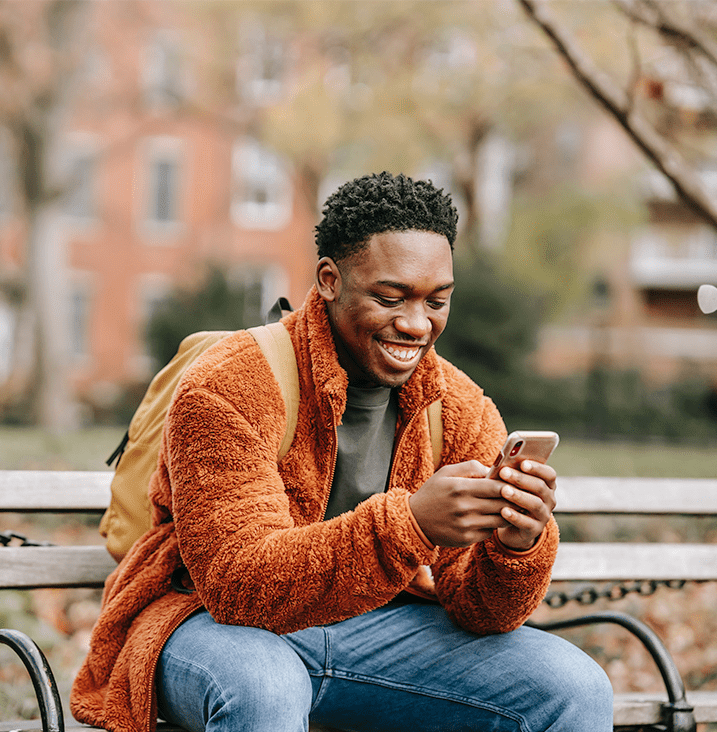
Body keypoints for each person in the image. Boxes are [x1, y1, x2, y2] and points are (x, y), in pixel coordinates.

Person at [71, 172, 613, 732]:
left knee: (572, 688)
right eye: (389, 297)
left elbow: (483, 611)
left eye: (437, 301)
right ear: (329, 280)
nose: (415, 323)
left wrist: (516, 543)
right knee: (265, 686)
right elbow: (238, 587)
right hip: (207, 626)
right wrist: (411, 524)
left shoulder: (458, 406)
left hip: (374, 632)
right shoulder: (230, 383)